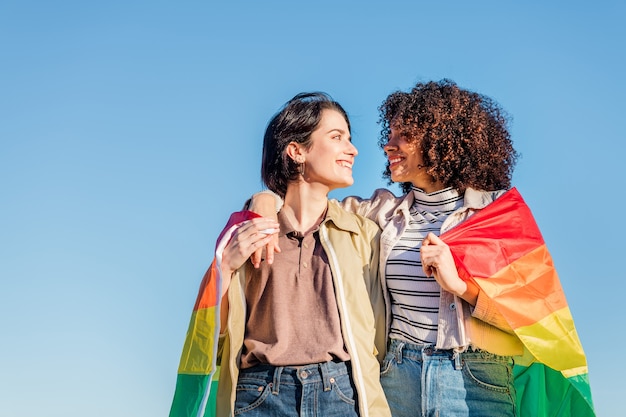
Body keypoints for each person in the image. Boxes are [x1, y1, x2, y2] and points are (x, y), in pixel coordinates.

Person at [249, 80, 595, 417]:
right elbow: (304, 199)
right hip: (397, 376)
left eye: (405, 135)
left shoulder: (498, 215)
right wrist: (263, 203)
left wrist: (461, 287)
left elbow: (535, 320)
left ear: (443, 140)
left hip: (476, 379)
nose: (388, 145)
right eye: (390, 134)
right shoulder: (377, 213)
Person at [172, 92, 391, 417]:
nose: (353, 149)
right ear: (297, 150)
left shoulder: (363, 234)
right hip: (257, 395)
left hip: (343, 394)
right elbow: (214, 337)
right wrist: (227, 268)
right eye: (337, 137)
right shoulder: (247, 231)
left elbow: (380, 335)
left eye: (349, 138)